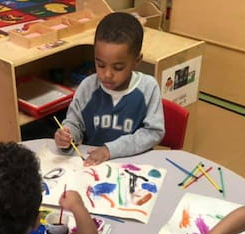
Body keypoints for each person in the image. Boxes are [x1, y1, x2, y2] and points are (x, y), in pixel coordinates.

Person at [54, 12, 164, 166]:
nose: (107, 74)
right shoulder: (87, 87)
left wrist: (110, 150)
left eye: (118, 68)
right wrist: (67, 136)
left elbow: (153, 132)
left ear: (136, 61)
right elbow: (74, 123)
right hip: (93, 165)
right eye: (100, 65)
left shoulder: (148, 88)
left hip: (133, 166)